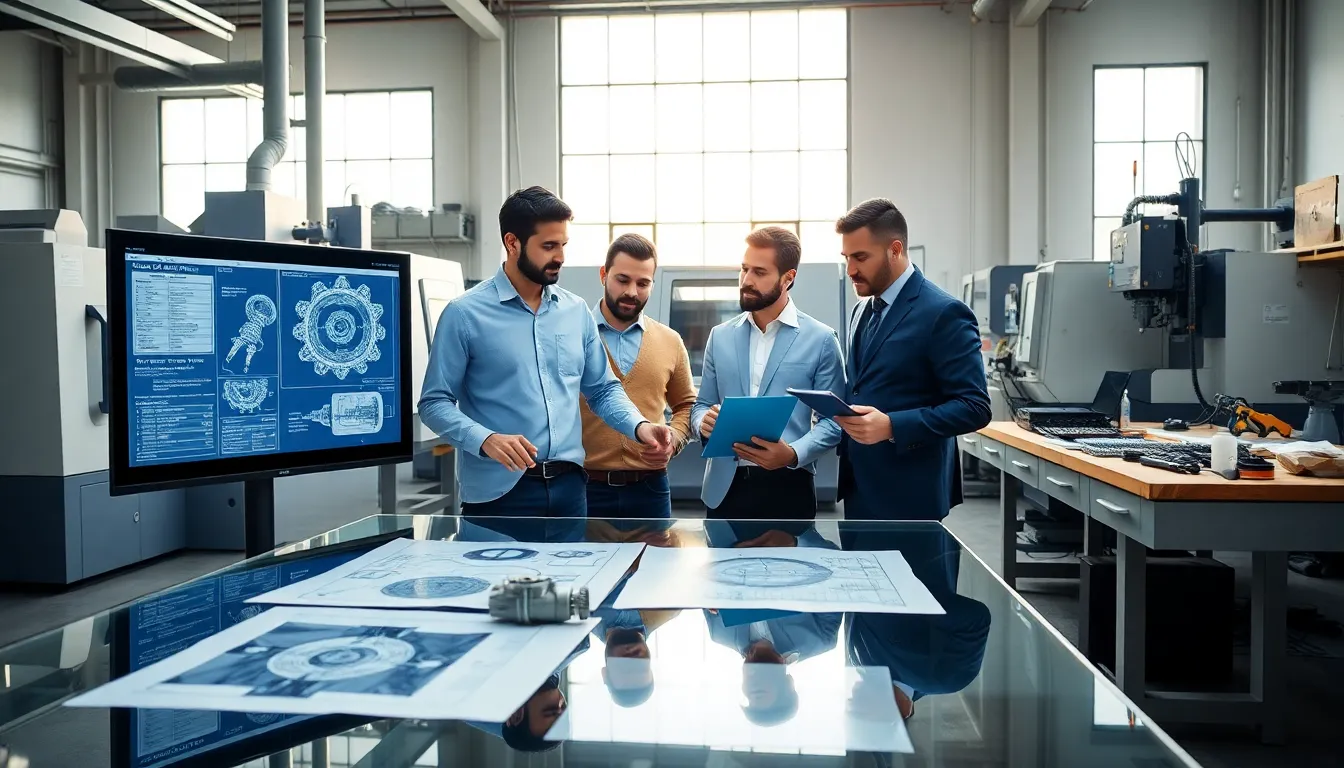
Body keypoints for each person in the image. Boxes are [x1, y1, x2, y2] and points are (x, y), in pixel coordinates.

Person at [418, 186, 674, 519]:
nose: (560, 257)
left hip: (571, 491)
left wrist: (640, 427)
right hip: (499, 494)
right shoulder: (464, 314)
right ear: (512, 243)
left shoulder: (575, 311)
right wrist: (485, 439)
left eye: (563, 245)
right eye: (549, 246)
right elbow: (433, 403)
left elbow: (603, 390)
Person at [831, 199, 991, 521]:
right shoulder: (861, 310)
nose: (850, 270)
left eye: (861, 257)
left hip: (912, 493)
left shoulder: (943, 312)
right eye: (847, 258)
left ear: (895, 249)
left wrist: (891, 426)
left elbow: (975, 406)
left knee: (919, 574)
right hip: (859, 488)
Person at [691, 226, 846, 520]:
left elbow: (835, 422)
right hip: (724, 489)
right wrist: (703, 423)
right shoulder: (720, 336)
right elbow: (701, 405)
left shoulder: (822, 339)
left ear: (788, 278)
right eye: (744, 269)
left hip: (789, 486)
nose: (746, 281)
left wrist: (793, 454)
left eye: (759, 272)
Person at [581, 234, 696, 520]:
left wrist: (674, 440)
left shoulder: (670, 341)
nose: (632, 291)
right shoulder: (573, 335)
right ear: (603, 275)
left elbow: (686, 405)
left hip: (650, 489)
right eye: (622, 279)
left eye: (643, 283)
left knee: (653, 565)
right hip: (582, 488)